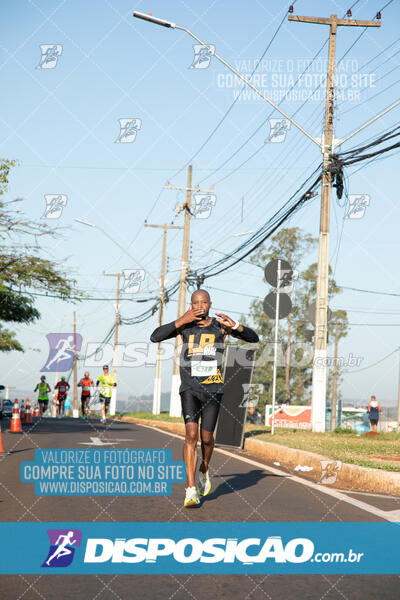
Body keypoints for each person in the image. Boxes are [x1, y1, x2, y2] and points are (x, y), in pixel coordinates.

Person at [150, 289, 259, 508]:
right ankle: (190, 490)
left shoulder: (219, 326)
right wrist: (182, 319)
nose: (199, 306)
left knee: (207, 439)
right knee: (191, 436)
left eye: (203, 303)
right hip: (189, 388)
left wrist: (236, 326)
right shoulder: (185, 325)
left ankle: (204, 467)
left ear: (210, 303)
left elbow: (253, 338)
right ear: (190, 305)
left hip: (213, 389)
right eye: (195, 303)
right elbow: (155, 336)